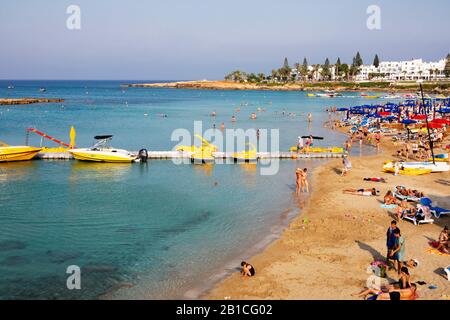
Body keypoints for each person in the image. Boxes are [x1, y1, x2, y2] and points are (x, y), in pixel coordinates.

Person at [352, 284, 418, 300]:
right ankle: (358, 294)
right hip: (382, 293)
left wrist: (392, 290)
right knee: (371, 290)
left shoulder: (407, 291)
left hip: (382, 294)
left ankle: (358, 295)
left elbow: (399, 291)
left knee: (371, 290)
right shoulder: (410, 293)